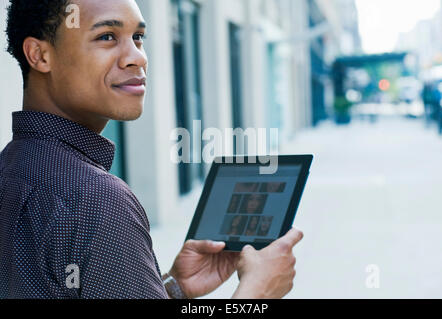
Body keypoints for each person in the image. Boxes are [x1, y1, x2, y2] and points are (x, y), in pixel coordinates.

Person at [0, 0, 304, 299]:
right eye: (107, 36)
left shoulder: (12, 167)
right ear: (39, 55)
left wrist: (172, 287)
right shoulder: (95, 198)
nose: (137, 58)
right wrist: (258, 291)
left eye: (138, 38)